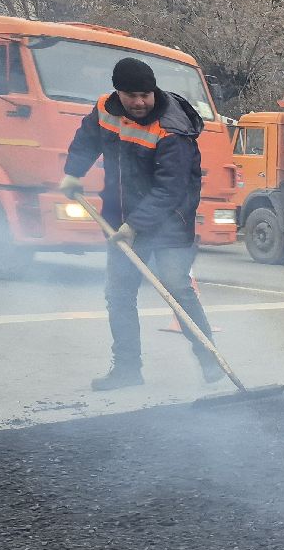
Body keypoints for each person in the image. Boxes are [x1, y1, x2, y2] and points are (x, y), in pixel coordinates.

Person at [58, 57, 220, 391]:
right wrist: (74, 172)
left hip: (170, 225)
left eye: (145, 94)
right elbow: (87, 139)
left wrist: (135, 225)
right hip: (120, 220)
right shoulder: (105, 108)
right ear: (119, 92)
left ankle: (211, 361)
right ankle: (127, 370)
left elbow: (170, 189)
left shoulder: (172, 129)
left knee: (177, 290)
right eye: (132, 95)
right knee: (118, 293)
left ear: (153, 90)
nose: (140, 102)